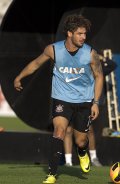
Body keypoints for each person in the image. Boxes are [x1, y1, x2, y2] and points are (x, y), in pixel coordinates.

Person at [13, 14, 104, 184]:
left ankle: (82, 152)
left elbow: (99, 76)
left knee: (81, 140)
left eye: (85, 34)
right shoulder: (53, 50)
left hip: (84, 101)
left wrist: (96, 103)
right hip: (61, 98)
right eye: (80, 33)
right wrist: (19, 77)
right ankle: (52, 174)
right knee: (59, 131)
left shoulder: (91, 54)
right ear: (69, 33)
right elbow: (35, 64)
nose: (84, 37)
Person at [64, 53, 117, 167]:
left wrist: (101, 57)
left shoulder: (97, 69)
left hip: (87, 104)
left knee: (89, 131)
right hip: (71, 101)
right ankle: (68, 161)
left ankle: (93, 158)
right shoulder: (76, 69)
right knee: (68, 131)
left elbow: (113, 65)